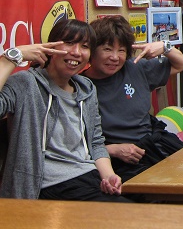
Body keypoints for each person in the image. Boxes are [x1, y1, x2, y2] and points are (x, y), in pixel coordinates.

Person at [0, 19, 129, 201]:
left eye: (85, 46)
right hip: (46, 186)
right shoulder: (26, 83)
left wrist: (109, 176)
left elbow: (95, 142)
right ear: (50, 47)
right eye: (69, 43)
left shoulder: (86, 88)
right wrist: (12, 57)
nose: (76, 52)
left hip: (88, 177)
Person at [83, 15, 183, 183]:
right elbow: (75, 146)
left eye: (121, 50)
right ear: (91, 50)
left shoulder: (135, 67)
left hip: (153, 146)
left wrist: (164, 46)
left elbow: (181, 64)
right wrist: (113, 150)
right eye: (107, 49)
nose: (115, 57)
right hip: (115, 161)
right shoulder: (81, 87)